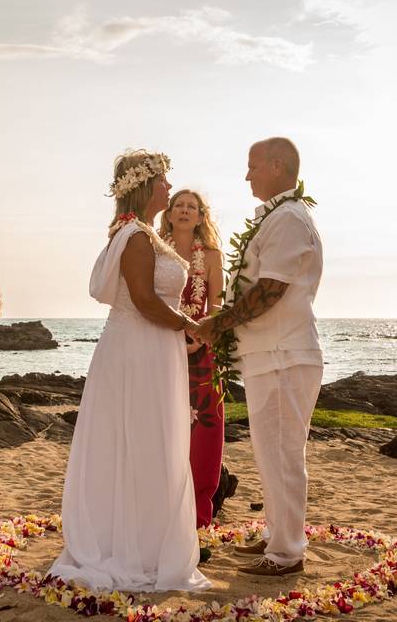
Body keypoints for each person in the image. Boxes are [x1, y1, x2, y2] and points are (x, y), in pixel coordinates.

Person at [49, 150, 210, 593]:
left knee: (146, 439)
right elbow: (143, 299)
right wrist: (191, 325)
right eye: (163, 181)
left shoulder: (140, 234)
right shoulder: (136, 236)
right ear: (145, 186)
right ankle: (133, 546)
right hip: (139, 350)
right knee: (141, 438)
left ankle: (144, 537)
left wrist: (182, 330)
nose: (168, 188)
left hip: (152, 348)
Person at [198, 137, 323, 577]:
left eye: (252, 166)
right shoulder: (278, 217)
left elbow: (271, 290)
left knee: (284, 454)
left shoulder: (288, 218)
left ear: (276, 166)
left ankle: (287, 554)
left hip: (284, 353)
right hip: (270, 354)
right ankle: (276, 536)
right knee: (270, 453)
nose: (246, 175)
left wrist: (219, 323)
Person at [158, 190, 225, 528]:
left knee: (203, 430)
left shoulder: (211, 257)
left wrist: (198, 338)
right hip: (159, 345)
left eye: (192, 207)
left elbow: (216, 308)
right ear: (168, 214)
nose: (185, 211)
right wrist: (172, 338)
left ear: (201, 217)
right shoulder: (154, 249)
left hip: (202, 351)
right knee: (160, 426)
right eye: (179, 205)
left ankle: (197, 516)